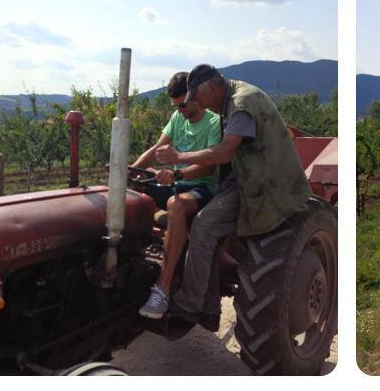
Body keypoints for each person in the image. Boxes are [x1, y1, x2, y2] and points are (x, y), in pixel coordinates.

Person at [155, 64, 311, 332]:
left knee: (204, 225)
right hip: (241, 176)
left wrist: (178, 159)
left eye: (200, 98)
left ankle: (191, 304)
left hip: (264, 182)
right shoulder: (230, 93)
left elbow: (224, 153)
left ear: (213, 89)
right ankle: (200, 299)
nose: (199, 104)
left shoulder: (240, 104)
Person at [130, 71, 221, 319]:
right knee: (134, 190)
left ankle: (162, 289)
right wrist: (131, 173)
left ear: (197, 98)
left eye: (183, 104)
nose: (179, 110)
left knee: (176, 205)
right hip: (176, 181)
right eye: (175, 106)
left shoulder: (214, 123)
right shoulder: (177, 117)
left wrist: (177, 175)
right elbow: (157, 148)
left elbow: (209, 165)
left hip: (200, 187)